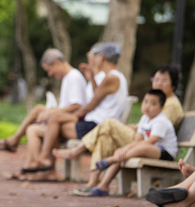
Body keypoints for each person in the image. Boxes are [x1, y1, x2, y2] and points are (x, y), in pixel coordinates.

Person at [53, 64, 184, 191]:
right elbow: (145, 126)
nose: (158, 83)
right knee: (105, 137)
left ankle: (78, 150)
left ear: (173, 84)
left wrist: (124, 129)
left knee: (109, 123)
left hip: (154, 145)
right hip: (143, 141)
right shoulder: (156, 102)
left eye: (164, 80)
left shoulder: (169, 104)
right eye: (155, 79)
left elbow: (153, 131)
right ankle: (95, 183)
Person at [26, 43, 128, 178]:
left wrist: (73, 114)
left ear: (101, 57)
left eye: (93, 56)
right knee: (54, 121)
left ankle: (44, 161)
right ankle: (44, 165)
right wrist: (91, 77)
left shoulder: (111, 77)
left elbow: (91, 104)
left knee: (55, 121)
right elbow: (98, 94)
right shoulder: (112, 76)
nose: (91, 59)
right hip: (96, 121)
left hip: (97, 125)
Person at [0, 48, 86, 156]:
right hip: (65, 117)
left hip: (72, 121)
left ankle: (34, 162)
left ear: (57, 63)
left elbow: (77, 105)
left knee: (32, 129)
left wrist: (51, 112)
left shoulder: (74, 77)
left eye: (49, 70)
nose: (49, 74)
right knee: (38, 109)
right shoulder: (68, 77)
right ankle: (15, 141)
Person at [82, 89, 177, 197]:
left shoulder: (161, 121)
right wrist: (124, 149)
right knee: (120, 154)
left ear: (161, 108)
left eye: (153, 104)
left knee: (141, 148)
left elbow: (150, 142)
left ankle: (111, 159)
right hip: (150, 149)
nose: (147, 106)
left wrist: (126, 149)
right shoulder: (145, 118)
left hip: (165, 153)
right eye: (145, 102)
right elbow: (138, 139)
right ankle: (103, 185)